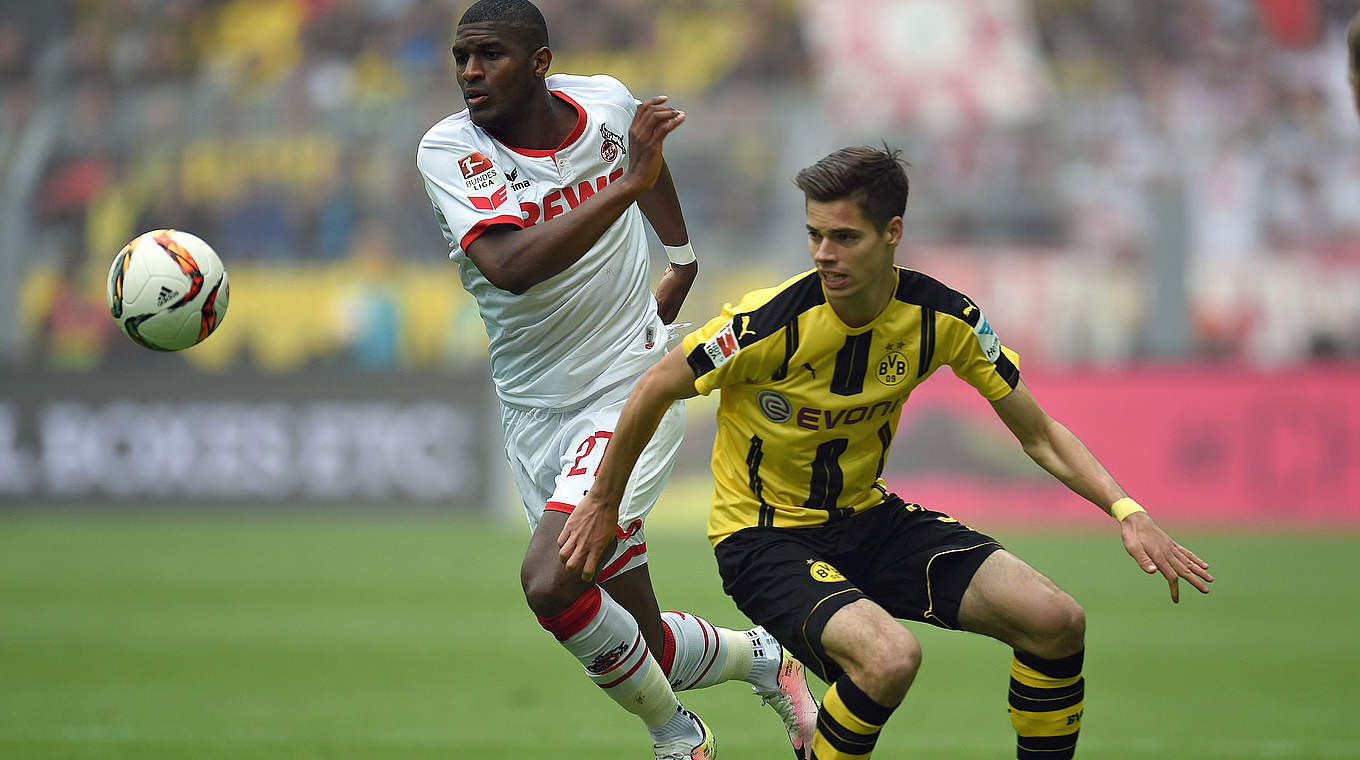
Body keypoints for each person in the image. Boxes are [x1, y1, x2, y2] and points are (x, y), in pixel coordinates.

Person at [559, 146, 1215, 760]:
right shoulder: (767, 324)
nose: (823, 253)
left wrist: (1126, 510)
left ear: (892, 233)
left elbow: (1038, 433)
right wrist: (601, 504)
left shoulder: (943, 318)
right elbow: (653, 388)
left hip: (869, 522)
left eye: (844, 237)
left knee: (1055, 620)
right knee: (889, 657)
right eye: (814, 235)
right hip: (764, 539)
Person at [414, 2, 817, 758]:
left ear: (539, 63)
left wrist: (684, 257)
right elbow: (513, 268)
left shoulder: (602, 100)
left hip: (632, 385)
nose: (470, 72)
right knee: (649, 648)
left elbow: (644, 168)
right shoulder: (448, 151)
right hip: (534, 410)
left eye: (489, 54)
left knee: (549, 580)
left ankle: (678, 738)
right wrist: (630, 184)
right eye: (461, 56)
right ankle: (767, 658)